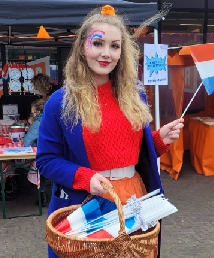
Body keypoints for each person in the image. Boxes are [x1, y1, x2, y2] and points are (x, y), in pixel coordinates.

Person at [36, 5, 184, 258]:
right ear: (83, 46)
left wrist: (160, 139)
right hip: (88, 202)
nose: (106, 53)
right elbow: (46, 160)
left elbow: (135, 153)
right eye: (98, 43)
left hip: (134, 197)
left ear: (122, 52)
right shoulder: (60, 102)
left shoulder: (134, 94)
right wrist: (84, 177)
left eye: (115, 46)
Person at [24, 99, 48, 206]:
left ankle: (42, 194)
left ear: (37, 111)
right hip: (59, 153)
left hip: (46, 155)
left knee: (37, 165)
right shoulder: (51, 118)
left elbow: (27, 142)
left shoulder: (38, 122)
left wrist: (31, 123)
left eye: (32, 111)